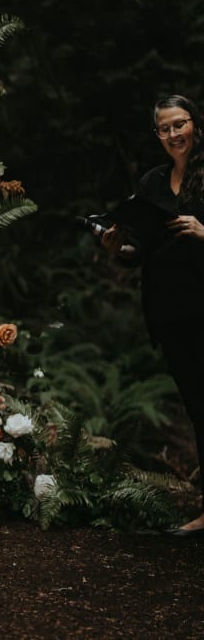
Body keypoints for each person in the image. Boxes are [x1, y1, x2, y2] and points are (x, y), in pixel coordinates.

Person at [102, 94, 204, 536]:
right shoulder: (153, 182)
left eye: (179, 124)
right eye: (163, 129)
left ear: (195, 124)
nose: (173, 135)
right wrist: (117, 248)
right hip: (172, 312)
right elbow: (139, 251)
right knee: (199, 410)